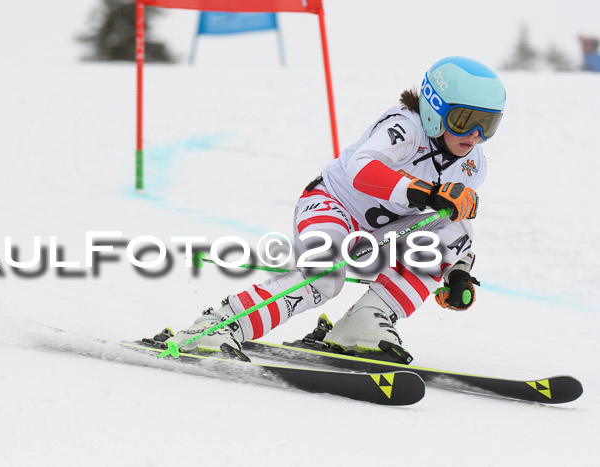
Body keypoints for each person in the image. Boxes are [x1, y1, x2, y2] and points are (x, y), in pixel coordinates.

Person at [164, 56, 506, 362]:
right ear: (434, 110)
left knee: (449, 229)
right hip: (332, 204)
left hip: (387, 231)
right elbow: (361, 169)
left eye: (487, 125)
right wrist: (427, 192)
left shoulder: (474, 164)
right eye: (464, 121)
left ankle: (364, 322)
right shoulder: (405, 128)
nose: (475, 135)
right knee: (324, 278)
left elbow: (451, 222)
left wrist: (457, 273)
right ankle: (218, 325)